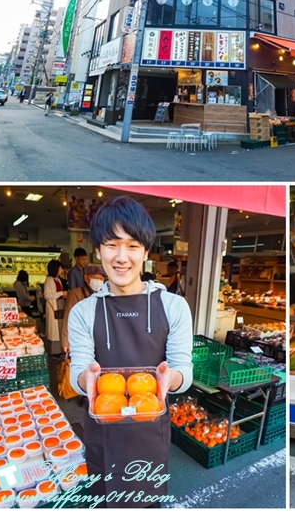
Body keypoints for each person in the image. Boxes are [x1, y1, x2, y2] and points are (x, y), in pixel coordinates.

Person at [68, 195, 193, 508]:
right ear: (98, 250)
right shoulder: (83, 312)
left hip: (150, 432)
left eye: (133, 245)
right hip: (103, 433)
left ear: (146, 252)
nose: (121, 257)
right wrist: (87, 378)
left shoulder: (173, 306)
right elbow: (76, 375)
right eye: (111, 244)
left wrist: (171, 379)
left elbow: (184, 369)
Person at [61, 264, 105, 354]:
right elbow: (68, 317)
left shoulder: (103, 294)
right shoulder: (75, 294)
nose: (98, 281)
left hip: (99, 339)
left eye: (101, 279)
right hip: (81, 337)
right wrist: (65, 342)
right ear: (86, 278)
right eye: (94, 278)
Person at [43, 259, 67, 355]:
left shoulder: (58, 279)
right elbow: (47, 295)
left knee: (59, 328)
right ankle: (54, 351)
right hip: (53, 306)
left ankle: (60, 350)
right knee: (54, 330)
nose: (62, 270)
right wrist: (62, 293)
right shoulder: (49, 280)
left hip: (59, 305)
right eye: (60, 268)